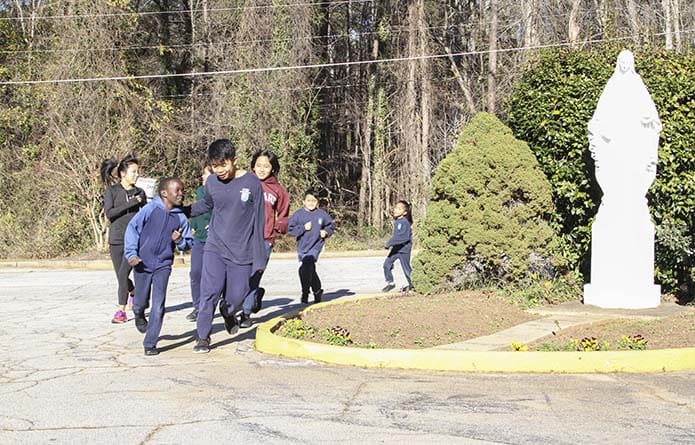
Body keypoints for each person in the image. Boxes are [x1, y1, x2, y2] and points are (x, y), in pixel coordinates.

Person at [188, 139, 266, 354]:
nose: (219, 170)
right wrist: (183, 210)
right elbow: (206, 204)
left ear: (234, 161)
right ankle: (203, 336)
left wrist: (259, 259)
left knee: (236, 298)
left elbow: (259, 220)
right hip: (214, 247)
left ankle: (228, 311)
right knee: (208, 293)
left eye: (223, 164)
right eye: (215, 165)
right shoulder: (211, 183)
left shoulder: (252, 183)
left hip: (242, 252)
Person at [124, 177, 193, 356]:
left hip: (163, 265)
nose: (181, 194)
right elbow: (132, 229)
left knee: (159, 304)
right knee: (140, 302)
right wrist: (131, 254)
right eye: (176, 190)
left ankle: (150, 342)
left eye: (182, 190)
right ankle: (139, 313)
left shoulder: (180, 217)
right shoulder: (149, 210)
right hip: (142, 263)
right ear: (164, 193)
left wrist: (179, 241)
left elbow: (187, 244)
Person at [238, 149, 290, 328]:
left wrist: (277, 228)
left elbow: (283, 215)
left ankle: (245, 313)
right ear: (253, 166)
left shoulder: (278, 190)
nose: (261, 169)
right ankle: (253, 298)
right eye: (258, 165)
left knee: (254, 276)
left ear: (272, 168)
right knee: (238, 275)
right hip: (242, 238)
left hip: (265, 239)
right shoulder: (243, 184)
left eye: (266, 166)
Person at [100, 155, 147, 324]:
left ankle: (121, 311)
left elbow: (145, 216)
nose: (137, 175)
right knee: (120, 276)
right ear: (122, 173)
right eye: (133, 172)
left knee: (122, 273)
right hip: (116, 238)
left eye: (137, 172)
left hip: (133, 240)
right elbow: (110, 213)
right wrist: (131, 203)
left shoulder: (140, 193)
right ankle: (132, 291)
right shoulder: (112, 191)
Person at [288, 188, 334, 304]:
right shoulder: (298, 215)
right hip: (302, 247)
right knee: (308, 270)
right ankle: (317, 290)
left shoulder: (322, 214)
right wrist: (303, 228)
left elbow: (330, 226)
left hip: (316, 246)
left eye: (314, 201)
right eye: (308, 201)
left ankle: (305, 292)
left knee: (307, 265)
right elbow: (290, 230)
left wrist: (326, 232)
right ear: (303, 201)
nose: (311, 203)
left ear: (317, 202)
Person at [186, 164, 212, 322]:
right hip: (199, 239)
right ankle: (197, 306)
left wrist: (216, 222)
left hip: (215, 240)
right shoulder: (200, 191)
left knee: (213, 275)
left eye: (206, 175)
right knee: (195, 272)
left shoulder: (218, 190)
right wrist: (191, 227)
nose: (203, 177)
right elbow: (197, 211)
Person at [382, 200, 413, 292]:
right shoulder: (398, 221)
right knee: (387, 264)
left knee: (406, 269)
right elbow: (396, 236)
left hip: (404, 250)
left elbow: (403, 237)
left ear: (405, 212)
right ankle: (390, 283)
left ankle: (413, 284)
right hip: (396, 249)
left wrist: (389, 243)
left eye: (399, 209)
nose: (396, 210)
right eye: (396, 208)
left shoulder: (404, 222)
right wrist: (392, 244)